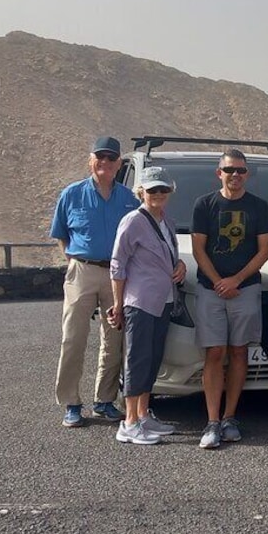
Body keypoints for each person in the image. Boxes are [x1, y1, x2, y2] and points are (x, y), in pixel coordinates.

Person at [50, 136, 139, 427]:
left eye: (111, 158)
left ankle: (105, 400)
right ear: (91, 160)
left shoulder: (128, 198)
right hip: (82, 271)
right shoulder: (72, 194)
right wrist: (76, 264)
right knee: (73, 338)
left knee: (114, 338)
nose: (105, 163)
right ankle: (71, 403)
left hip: (117, 274)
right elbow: (62, 234)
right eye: (99, 157)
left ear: (118, 164)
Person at [191, 149, 268, 449]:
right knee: (214, 353)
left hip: (246, 289)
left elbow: (263, 250)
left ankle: (230, 417)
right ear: (219, 173)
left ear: (247, 174)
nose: (235, 175)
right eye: (229, 170)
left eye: (240, 170)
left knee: (239, 352)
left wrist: (236, 280)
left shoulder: (259, 207)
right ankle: (212, 422)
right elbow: (199, 249)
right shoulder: (204, 205)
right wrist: (218, 282)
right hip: (210, 289)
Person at [108, 167, 186, 444]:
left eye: (163, 189)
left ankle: (143, 414)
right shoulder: (132, 221)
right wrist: (118, 304)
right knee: (138, 359)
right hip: (139, 301)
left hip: (163, 299)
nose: (158, 194)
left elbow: (169, 257)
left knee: (152, 359)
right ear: (141, 192)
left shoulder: (167, 221)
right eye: (152, 190)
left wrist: (180, 265)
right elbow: (117, 264)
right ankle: (129, 423)